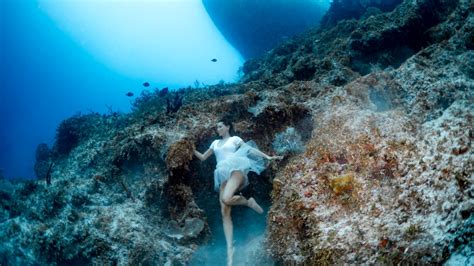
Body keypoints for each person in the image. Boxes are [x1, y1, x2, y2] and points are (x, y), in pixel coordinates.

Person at [193, 117, 282, 266]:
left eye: (220, 126)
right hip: (222, 176)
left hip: (236, 170)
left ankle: (248, 202)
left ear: (227, 127)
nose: (218, 129)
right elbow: (203, 157)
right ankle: (230, 253)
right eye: (217, 127)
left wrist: (268, 157)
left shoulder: (234, 139)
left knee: (226, 198)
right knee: (224, 212)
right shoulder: (214, 143)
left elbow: (249, 149)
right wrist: (191, 149)